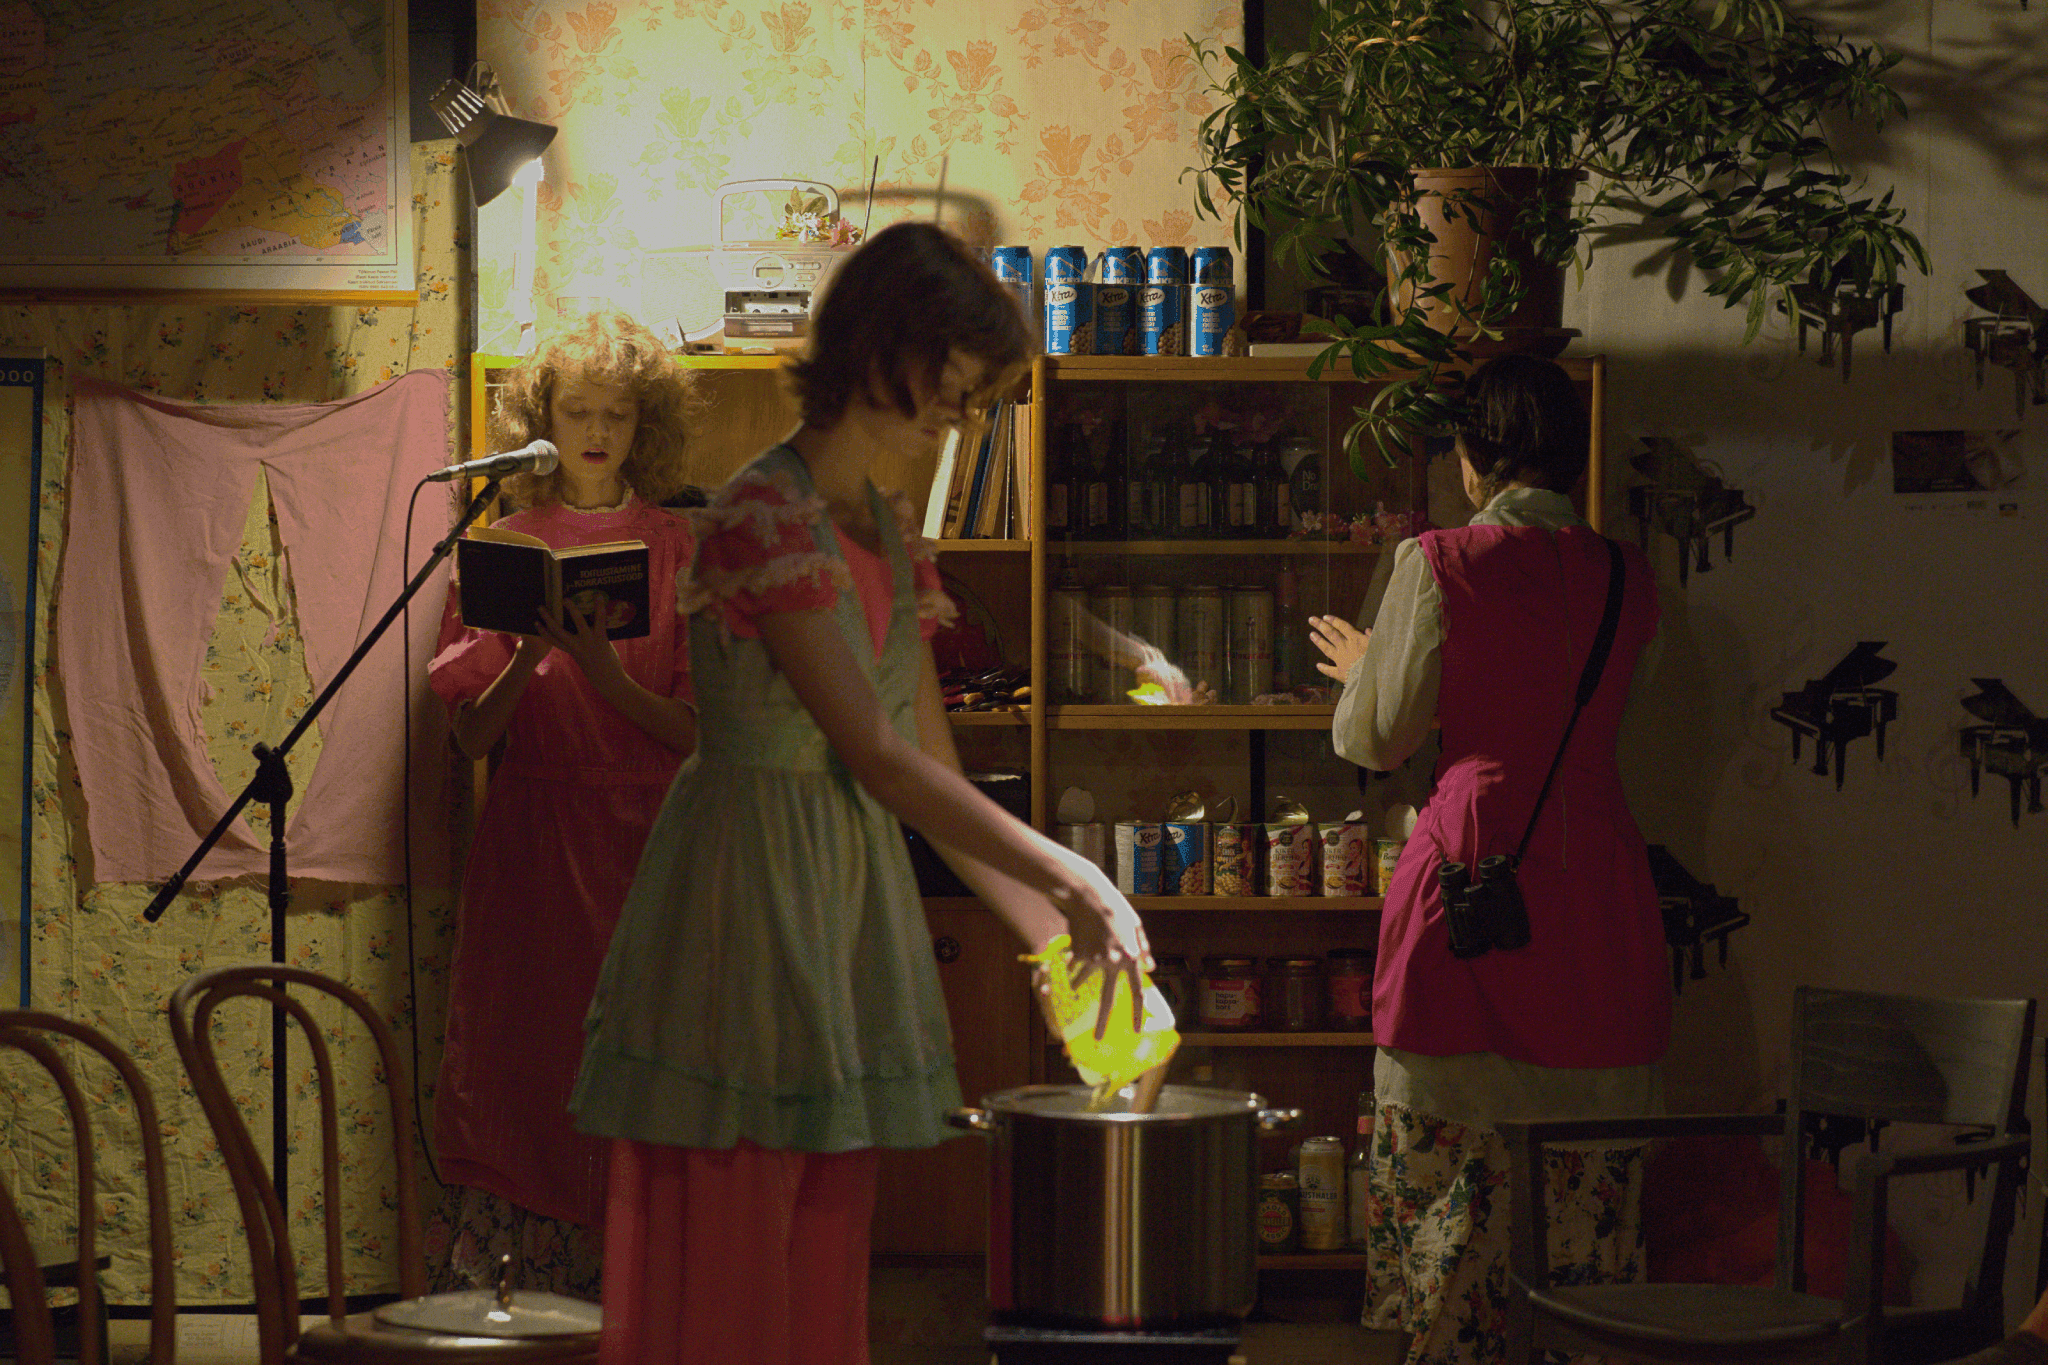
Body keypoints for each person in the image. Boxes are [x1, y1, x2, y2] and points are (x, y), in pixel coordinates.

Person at [569, 222, 1153, 1365]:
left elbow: (930, 776)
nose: (961, 413)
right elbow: (876, 755)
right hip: (747, 902)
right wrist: (1076, 878)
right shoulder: (761, 512)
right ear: (889, 347)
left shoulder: (881, 529)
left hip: (840, 907)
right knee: (737, 1241)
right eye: (955, 382)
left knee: (826, 1242)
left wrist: (1053, 941)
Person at [1309, 354, 1667, 1365]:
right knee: (1581, 1179)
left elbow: (1376, 737)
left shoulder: (1438, 561)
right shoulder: (1627, 573)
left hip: (1472, 882)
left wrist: (1365, 668)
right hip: (1595, 886)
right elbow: (1611, 721)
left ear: (1472, 458)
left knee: (1454, 1179)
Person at [425, 312, 701, 1299]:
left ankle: (643, 1293)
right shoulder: (504, 545)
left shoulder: (677, 545)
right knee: (529, 1061)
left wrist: (610, 682)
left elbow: (704, 733)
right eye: (577, 412)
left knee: (645, 1059)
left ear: (643, 425)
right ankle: (522, 1293)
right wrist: (531, 656)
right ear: (541, 419)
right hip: (534, 842)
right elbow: (469, 739)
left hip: (651, 841)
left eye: (616, 415)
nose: (595, 432)